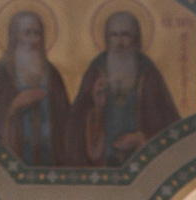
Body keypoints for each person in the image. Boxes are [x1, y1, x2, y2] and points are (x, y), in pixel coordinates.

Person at [71, 9, 180, 167]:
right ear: (107, 38)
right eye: (113, 35)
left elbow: (169, 122)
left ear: (136, 39)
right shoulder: (96, 71)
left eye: (125, 35)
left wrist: (142, 138)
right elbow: (76, 121)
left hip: (142, 163)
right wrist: (97, 109)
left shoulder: (148, 73)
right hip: (103, 162)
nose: (119, 42)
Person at [0, 8, 72, 168]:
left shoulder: (52, 74)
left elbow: (66, 118)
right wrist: (14, 105)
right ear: (15, 35)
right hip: (12, 162)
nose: (33, 40)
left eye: (37, 33)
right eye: (27, 33)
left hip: (51, 163)